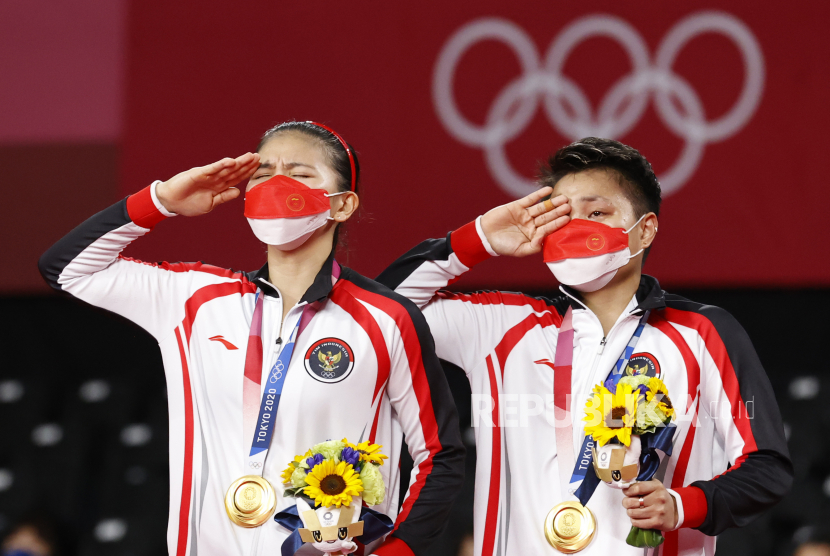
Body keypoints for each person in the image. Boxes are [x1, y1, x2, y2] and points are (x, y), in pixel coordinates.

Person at [39, 121, 465, 556]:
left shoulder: (387, 318)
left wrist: (396, 553)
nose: (277, 185)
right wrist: (161, 200)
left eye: (299, 174)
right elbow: (67, 268)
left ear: (343, 205)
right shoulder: (195, 299)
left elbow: (439, 453)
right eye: (262, 175)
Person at [375, 138, 792, 555]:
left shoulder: (702, 332)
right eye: (563, 216)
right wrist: (480, 238)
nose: (576, 229)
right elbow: (379, 310)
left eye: (597, 213)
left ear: (644, 229)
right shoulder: (503, 326)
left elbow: (766, 467)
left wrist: (683, 506)